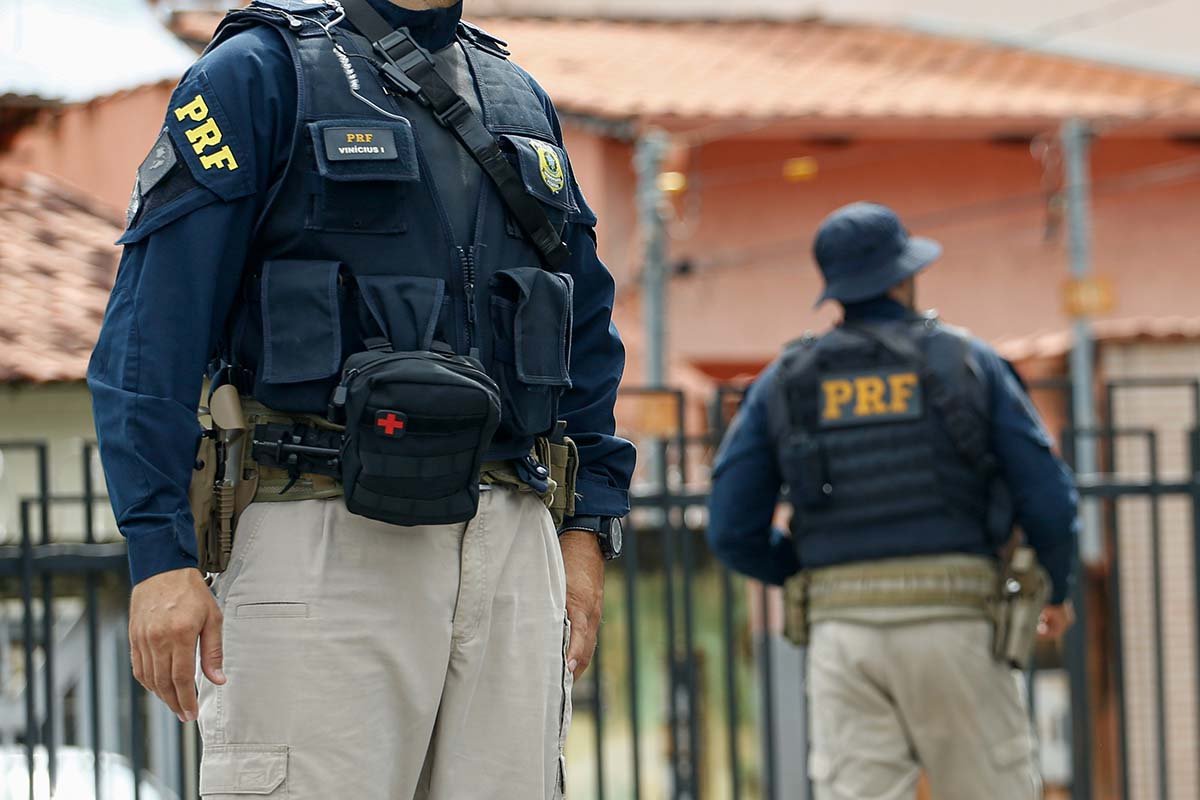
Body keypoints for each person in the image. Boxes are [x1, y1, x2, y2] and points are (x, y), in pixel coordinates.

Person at [88, 1, 634, 797]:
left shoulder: (517, 97)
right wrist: (158, 557)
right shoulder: (258, 74)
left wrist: (587, 532)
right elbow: (151, 332)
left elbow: (585, 331)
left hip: (512, 540)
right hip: (321, 527)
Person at [706, 201, 1079, 800]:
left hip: (842, 636)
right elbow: (1049, 498)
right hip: (960, 622)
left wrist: (814, 571)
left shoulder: (786, 379)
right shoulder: (967, 362)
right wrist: (1055, 589)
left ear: (835, 289)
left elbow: (729, 529)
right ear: (904, 278)